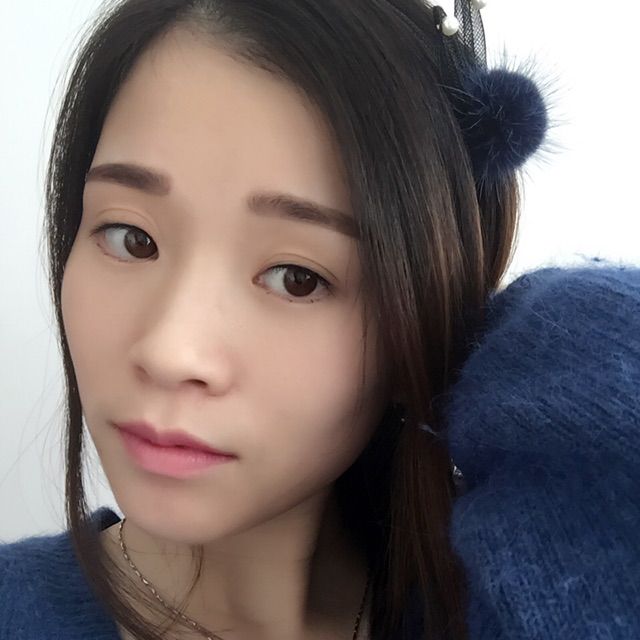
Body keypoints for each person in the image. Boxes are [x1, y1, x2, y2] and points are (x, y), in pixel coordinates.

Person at [1, 0, 639, 639]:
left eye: (296, 278)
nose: (170, 351)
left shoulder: (519, 607)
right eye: (131, 238)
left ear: (415, 324)